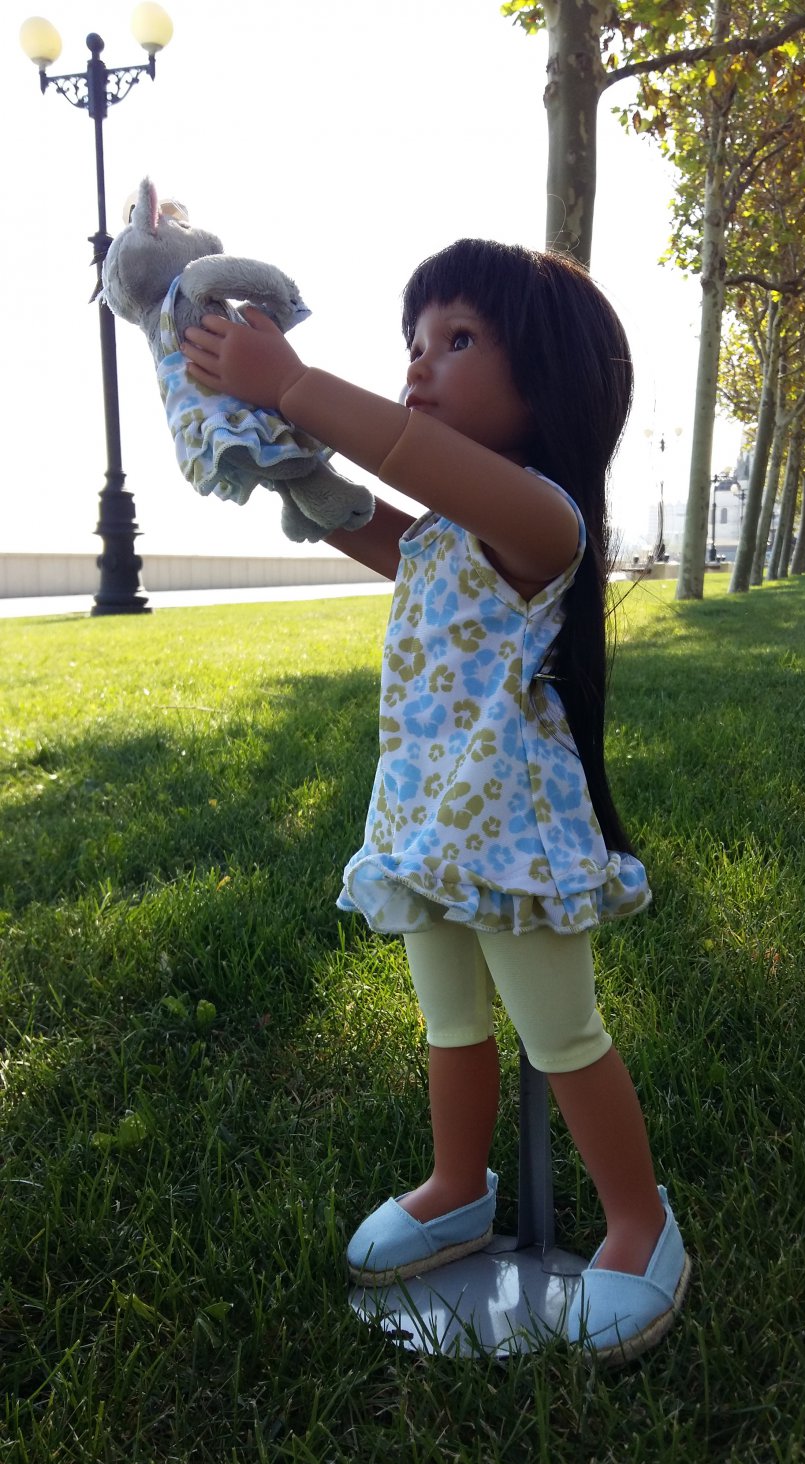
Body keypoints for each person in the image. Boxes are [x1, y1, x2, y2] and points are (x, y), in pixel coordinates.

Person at [183, 239, 691, 1364]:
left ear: (549, 377)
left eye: (457, 339)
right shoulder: (447, 532)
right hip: (423, 822)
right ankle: (458, 1184)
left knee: (564, 1033)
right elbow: (361, 511)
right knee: (450, 1022)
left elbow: (410, 455)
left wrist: (294, 384)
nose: (419, 364)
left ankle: (639, 1223)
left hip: (509, 833)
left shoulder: (539, 518)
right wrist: (275, 455)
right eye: (413, 342)